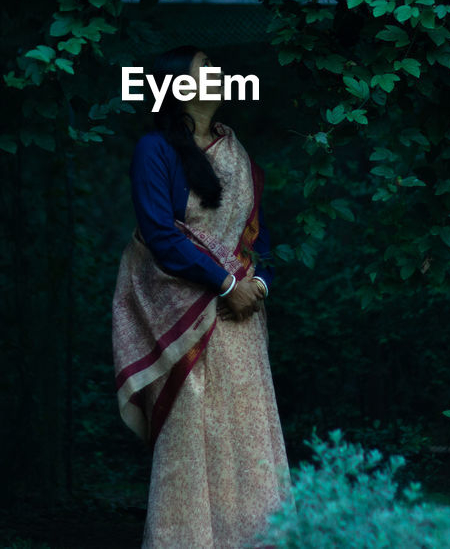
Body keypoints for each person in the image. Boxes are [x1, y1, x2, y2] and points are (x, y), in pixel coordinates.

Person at [112, 45, 291, 549]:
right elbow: (160, 236)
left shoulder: (237, 152)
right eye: (207, 69)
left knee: (248, 436)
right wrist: (227, 285)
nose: (220, 75)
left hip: (242, 319)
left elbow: (262, 238)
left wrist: (260, 284)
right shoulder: (156, 150)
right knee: (194, 438)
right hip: (189, 315)